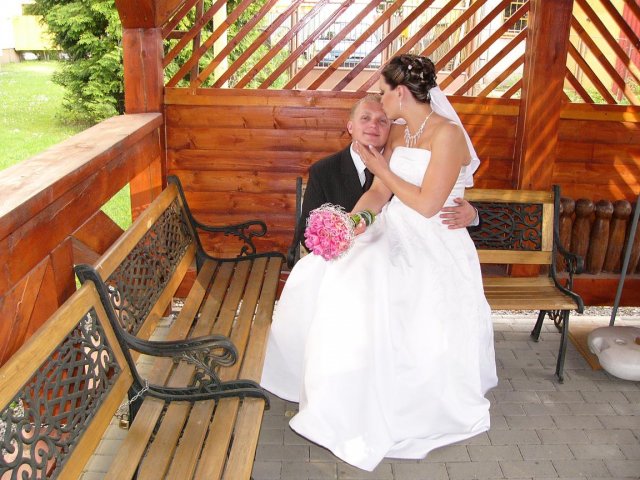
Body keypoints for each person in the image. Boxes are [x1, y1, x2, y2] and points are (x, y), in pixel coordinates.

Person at [261, 54, 497, 471]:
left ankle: (398, 397)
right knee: (334, 269)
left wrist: (382, 170)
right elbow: (377, 194)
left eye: (384, 92)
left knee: (384, 284)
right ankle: (341, 386)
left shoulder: (447, 135)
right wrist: (351, 225)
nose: (380, 100)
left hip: (433, 239)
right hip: (392, 225)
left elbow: (427, 204)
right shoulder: (401, 132)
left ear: (401, 93)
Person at [290, 94, 479, 257]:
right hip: (348, 258)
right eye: (365, 118)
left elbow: (442, 196)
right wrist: (337, 241)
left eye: (382, 121)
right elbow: (306, 231)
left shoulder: (404, 166)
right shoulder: (324, 171)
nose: (373, 125)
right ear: (350, 127)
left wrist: (473, 215)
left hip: (404, 254)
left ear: (392, 129)